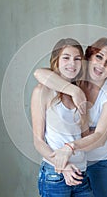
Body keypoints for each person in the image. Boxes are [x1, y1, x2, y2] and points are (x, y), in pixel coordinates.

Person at [34, 37, 107, 197]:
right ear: (89, 57)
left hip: (101, 160)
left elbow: (98, 137)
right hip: (72, 163)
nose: (102, 65)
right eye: (99, 57)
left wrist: (70, 148)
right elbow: (39, 73)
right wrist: (75, 91)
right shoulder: (74, 82)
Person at [31, 38, 94, 197]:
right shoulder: (42, 91)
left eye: (77, 59)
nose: (72, 63)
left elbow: (85, 137)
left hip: (81, 173)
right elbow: (38, 141)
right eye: (66, 58)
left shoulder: (82, 92)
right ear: (56, 61)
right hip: (55, 175)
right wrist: (62, 166)